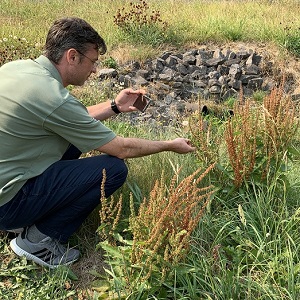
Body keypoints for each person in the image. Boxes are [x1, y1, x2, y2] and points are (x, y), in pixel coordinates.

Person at [0, 17, 195, 269]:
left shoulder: (15, 69)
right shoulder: (52, 96)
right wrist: (169, 144)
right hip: (7, 204)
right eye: (92, 61)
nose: (94, 70)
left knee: (74, 139)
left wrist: (115, 106)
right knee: (112, 169)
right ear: (72, 56)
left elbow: (71, 119)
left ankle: (23, 219)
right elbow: (121, 148)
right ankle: (38, 240)